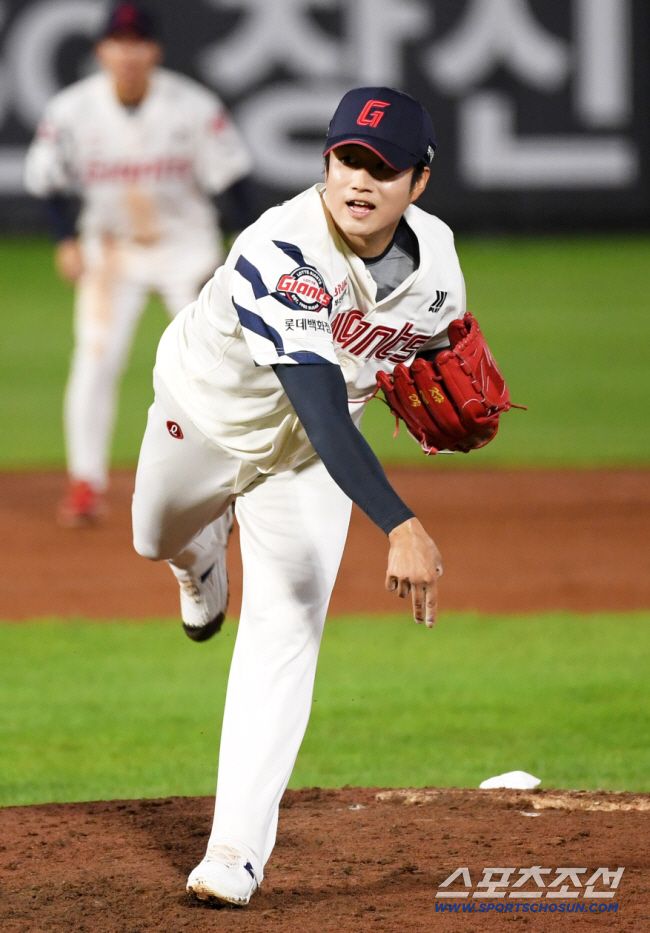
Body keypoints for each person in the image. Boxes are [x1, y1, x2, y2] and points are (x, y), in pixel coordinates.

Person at [131, 86, 465, 907]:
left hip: (309, 463)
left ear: (418, 183)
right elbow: (313, 404)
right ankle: (198, 557)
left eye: (383, 168)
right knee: (152, 534)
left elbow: (437, 346)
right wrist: (400, 519)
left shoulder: (440, 263)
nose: (361, 179)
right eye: (349, 159)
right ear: (325, 161)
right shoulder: (281, 245)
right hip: (206, 416)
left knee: (286, 627)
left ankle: (235, 851)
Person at [23, 2, 254, 526]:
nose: (128, 53)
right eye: (117, 42)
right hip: (113, 252)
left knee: (212, 367)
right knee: (96, 360)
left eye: (138, 42)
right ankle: (85, 483)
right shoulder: (71, 110)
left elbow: (234, 182)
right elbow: (45, 182)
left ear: (155, 50)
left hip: (188, 251)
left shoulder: (193, 107)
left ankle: (227, 485)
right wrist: (66, 239)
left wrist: (244, 243)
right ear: (102, 50)